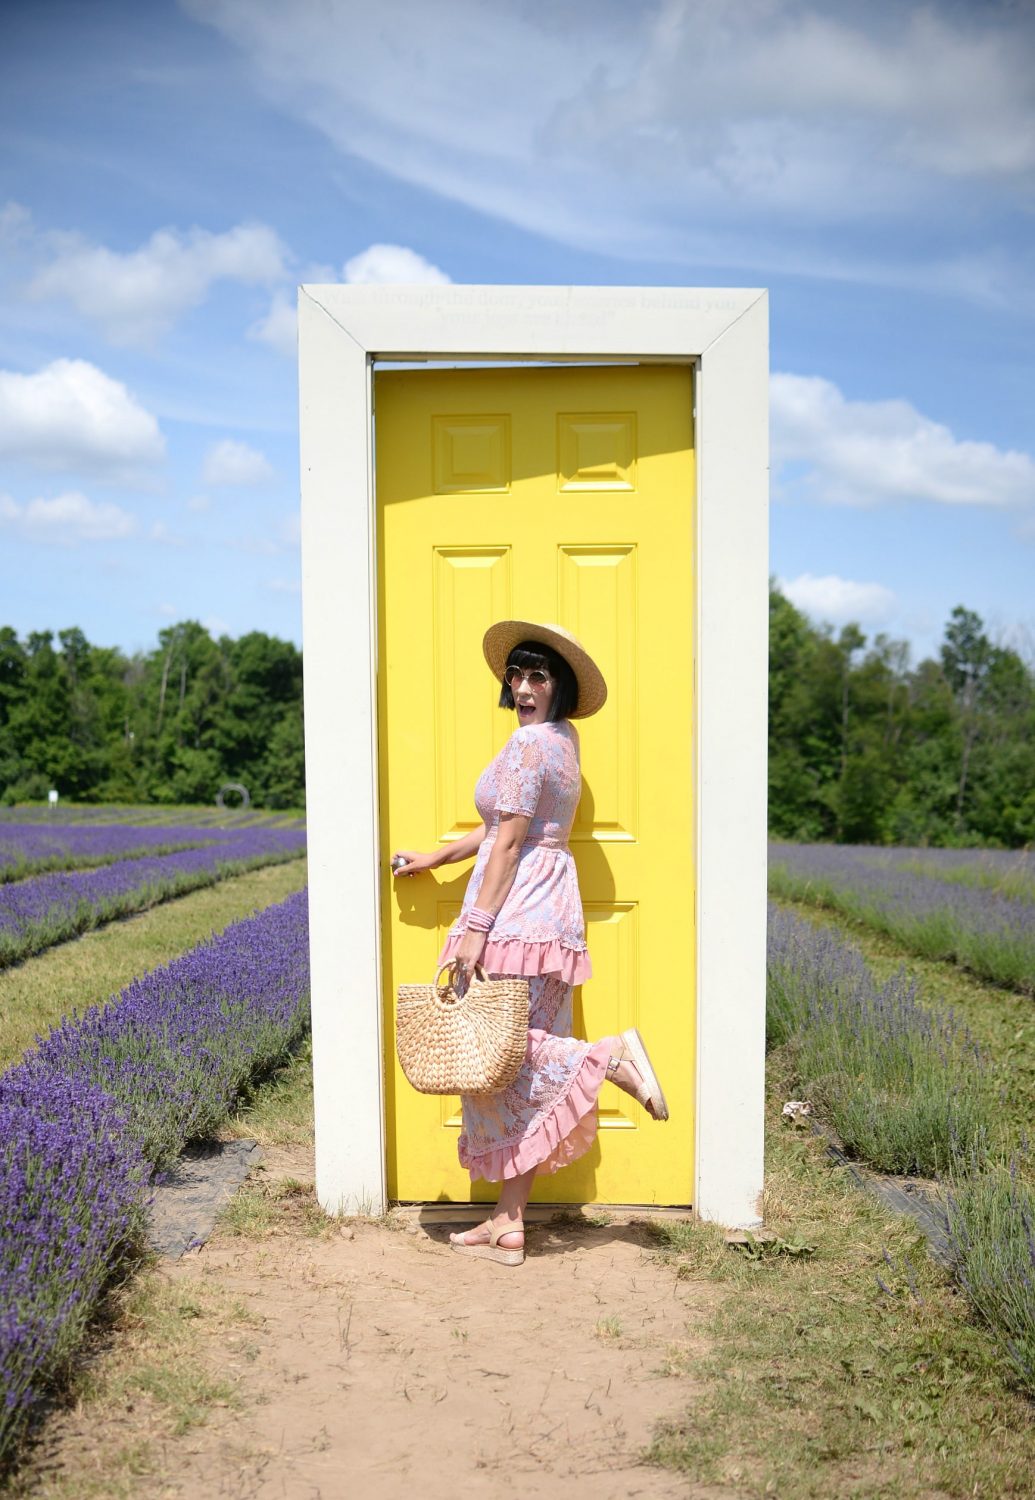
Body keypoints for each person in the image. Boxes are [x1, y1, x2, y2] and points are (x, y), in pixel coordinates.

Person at [393, 620, 667, 1267]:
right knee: (508, 1071)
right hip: (552, 913)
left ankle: (610, 1059)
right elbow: (500, 829)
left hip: (514, 915)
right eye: (514, 675)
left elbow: (510, 843)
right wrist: (437, 855)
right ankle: (507, 1222)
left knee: (504, 1054)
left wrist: (473, 933)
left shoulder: (525, 747)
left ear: (558, 685)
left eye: (536, 676)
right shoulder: (563, 741)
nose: (520, 686)